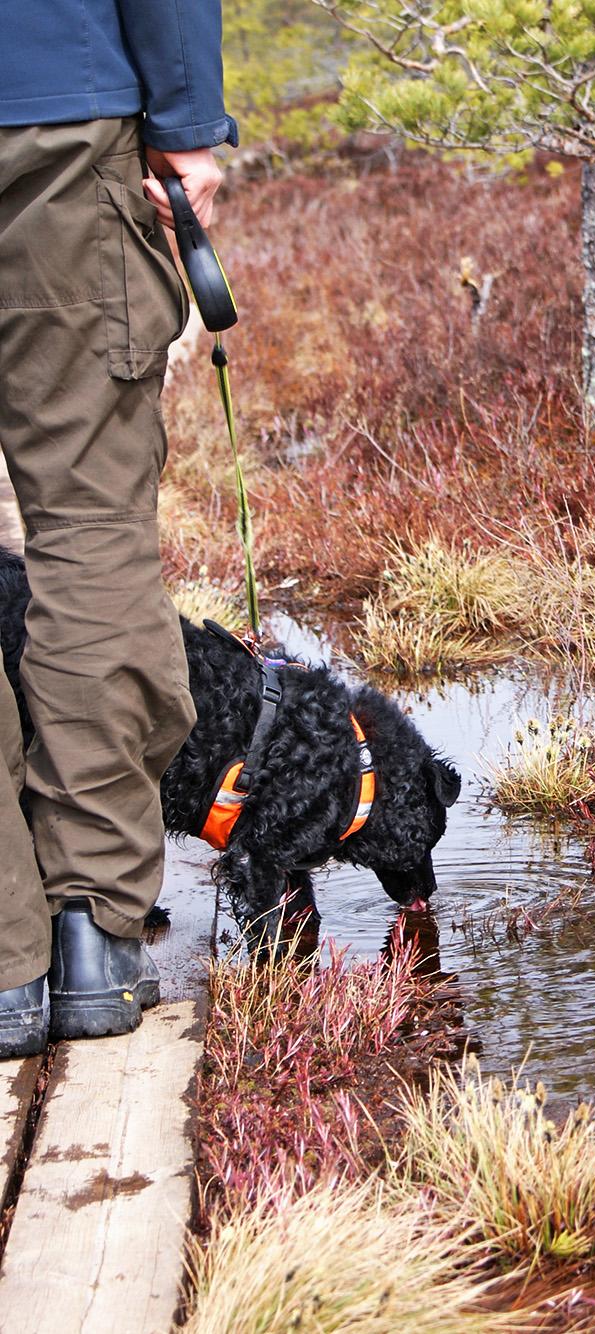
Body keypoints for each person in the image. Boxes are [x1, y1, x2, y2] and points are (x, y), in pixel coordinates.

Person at [0, 1, 237, 1058]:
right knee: (88, 533)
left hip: (59, 100)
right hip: (57, 113)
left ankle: (5, 966)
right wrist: (186, 118)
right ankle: (93, 933)